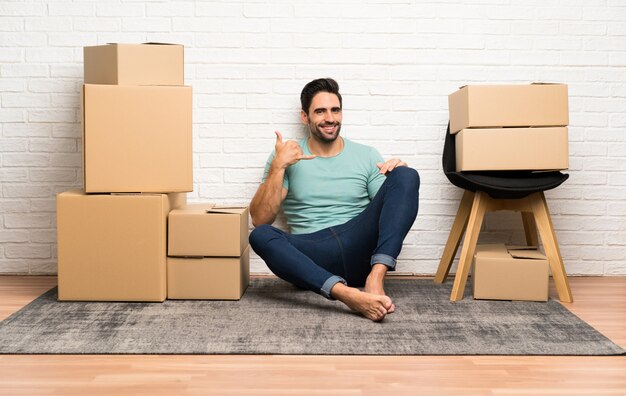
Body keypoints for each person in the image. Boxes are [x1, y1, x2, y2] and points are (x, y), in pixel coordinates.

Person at [249, 78, 419, 322]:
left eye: (335, 110)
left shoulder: (366, 155)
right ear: (305, 117)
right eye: (320, 111)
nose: (330, 118)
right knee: (260, 235)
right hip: (313, 257)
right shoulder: (287, 156)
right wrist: (278, 166)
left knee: (406, 174)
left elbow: (391, 211)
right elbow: (260, 219)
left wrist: (399, 176)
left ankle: (376, 278)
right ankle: (347, 295)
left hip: (359, 247)